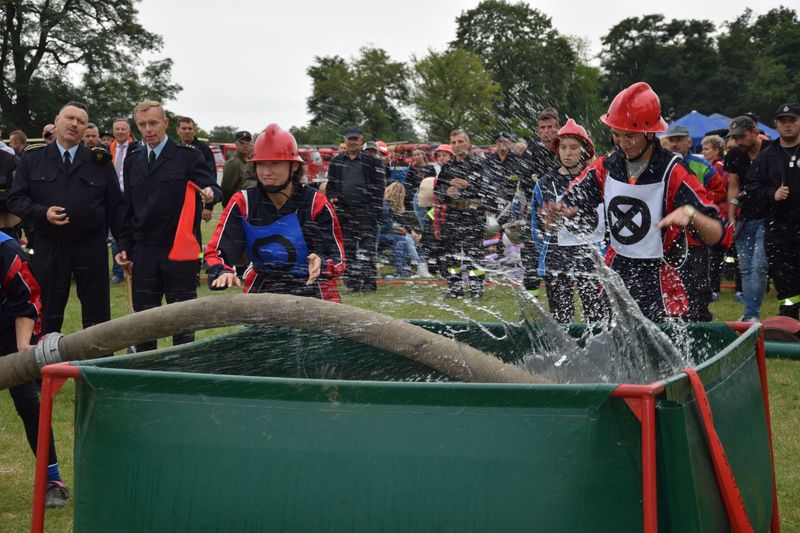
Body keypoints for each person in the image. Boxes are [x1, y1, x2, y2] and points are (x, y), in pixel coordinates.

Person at [554, 82, 725, 322]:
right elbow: (569, 203)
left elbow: (716, 234)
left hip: (664, 281)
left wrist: (690, 214)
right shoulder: (605, 167)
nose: (623, 143)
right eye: (617, 134)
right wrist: (557, 212)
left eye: (630, 136)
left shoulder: (673, 171)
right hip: (618, 274)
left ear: (649, 133)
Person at [9, 101, 124, 334]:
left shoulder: (98, 162)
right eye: (70, 118)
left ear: (85, 129)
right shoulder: (33, 160)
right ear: (57, 121)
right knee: (47, 313)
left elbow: (116, 207)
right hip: (48, 246)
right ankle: (46, 368)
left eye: (81, 121)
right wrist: (42, 213)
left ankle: (96, 366)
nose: (74, 124)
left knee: (97, 315)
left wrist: (124, 245)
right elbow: (16, 200)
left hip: (90, 247)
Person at [114, 100, 220, 352]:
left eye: (153, 123)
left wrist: (209, 194)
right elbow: (127, 206)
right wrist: (124, 246)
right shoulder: (133, 158)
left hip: (179, 251)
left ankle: (181, 372)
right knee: (144, 320)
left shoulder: (188, 156)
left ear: (165, 123)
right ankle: (145, 370)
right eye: (142, 125)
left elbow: (213, 187)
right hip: (144, 251)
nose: (148, 129)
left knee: (181, 318)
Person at [205, 124, 344, 298]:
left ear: (294, 166)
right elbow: (218, 251)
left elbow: (337, 258)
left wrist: (322, 263)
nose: (266, 172)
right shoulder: (243, 202)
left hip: (314, 292)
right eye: (261, 164)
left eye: (275, 163)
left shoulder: (316, 203)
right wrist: (222, 271)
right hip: (262, 291)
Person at [0, 231, 69, 508]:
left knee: (28, 401)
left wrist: (21, 348)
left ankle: (53, 480)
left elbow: (26, 298)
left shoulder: (6, 250)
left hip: (8, 328)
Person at [532, 119, 608, 323]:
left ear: (584, 151)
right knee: (561, 318)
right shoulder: (544, 184)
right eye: (563, 147)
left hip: (592, 256)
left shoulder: (599, 178)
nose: (568, 152)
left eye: (574, 147)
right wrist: (550, 223)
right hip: (557, 257)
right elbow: (537, 229)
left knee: (598, 314)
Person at [662, 124, 726, 321]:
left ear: (689, 142)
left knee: (698, 285)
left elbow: (719, 193)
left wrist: (697, 207)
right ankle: (675, 320)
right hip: (668, 238)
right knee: (671, 285)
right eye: (672, 140)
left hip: (696, 238)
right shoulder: (661, 166)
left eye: (679, 139)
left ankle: (701, 321)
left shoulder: (703, 166)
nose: (675, 144)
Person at [746, 103, 800, 319]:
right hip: (779, 228)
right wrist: (771, 194)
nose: (787, 125)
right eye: (783, 121)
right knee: (785, 278)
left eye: (792, 120)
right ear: (776, 125)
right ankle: (788, 318)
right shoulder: (767, 156)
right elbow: (751, 187)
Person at [434, 129, 496, 298]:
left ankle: (476, 289)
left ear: (468, 144)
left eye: (460, 142)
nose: (457, 145)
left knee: (474, 253)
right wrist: (447, 192)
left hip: (473, 214)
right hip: (453, 214)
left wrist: (467, 185)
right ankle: (455, 288)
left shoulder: (479, 164)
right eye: (453, 142)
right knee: (452, 254)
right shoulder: (447, 166)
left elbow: (488, 190)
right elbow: (438, 191)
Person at [326, 126, 386, 293]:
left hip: (366, 212)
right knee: (348, 250)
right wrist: (333, 196)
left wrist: (373, 209)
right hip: (345, 212)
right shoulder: (336, 162)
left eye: (355, 139)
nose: (352, 142)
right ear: (344, 140)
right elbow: (330, 186)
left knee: (367, 250)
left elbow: (380, 187)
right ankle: (352, 284)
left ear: (361, 140)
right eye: (349, 139)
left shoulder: (372, 161)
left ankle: (368, 284)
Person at [725, 114, 771, 321]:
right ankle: (748, 315)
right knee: (744, 269)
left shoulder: (772, 150)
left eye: (741, 137)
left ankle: (751, 314)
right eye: (734, 137)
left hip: (770, 216)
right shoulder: (735, 153)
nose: (737, 142)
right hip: (745, 218)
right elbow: (733, 186)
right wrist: (732, 218)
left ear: (755, 132)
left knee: (759, 267)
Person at [108, 117, 140, 284]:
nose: (120, 132)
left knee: (130, 233)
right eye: (117, 129)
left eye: (123, 129)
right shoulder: (109, 148)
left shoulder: (137, 148)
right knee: (115, 236)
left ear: (129, 131)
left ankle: (134, 265)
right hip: (115, 197)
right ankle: (118, 272)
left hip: (131, 196)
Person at [701, 134, 732, 299]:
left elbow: (719, 192)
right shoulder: (713, 165)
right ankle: (713, 285)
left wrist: (702, 197)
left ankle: (713, 286)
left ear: (717, 150)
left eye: (706, 149)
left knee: (714, 251)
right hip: (717, 210)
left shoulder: (718, 167)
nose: (703, 152)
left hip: (718, 211)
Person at [176, 117, 216, 222]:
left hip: (196, 199)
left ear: (194, 130)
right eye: (184, 128)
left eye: (190, 128)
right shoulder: (173, 149)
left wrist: (208, 206)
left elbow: (211, 178)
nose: (187, 131)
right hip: (177, 200)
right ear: (178, 130)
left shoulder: (204, 149)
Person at [379, 182, 422, 278]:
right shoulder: (385, 208)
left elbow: (401, 220)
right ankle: (402, 269)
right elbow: (383, 228)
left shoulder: (388, 206)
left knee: (403, 238)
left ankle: (406, 267)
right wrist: (397, 231)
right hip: (376, 236)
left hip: (379, 234)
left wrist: (411, 231)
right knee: (400, 239)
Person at [220, 130, 256, 206]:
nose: (245, 145)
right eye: (242, 143)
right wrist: (229, 206)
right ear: (236, 144)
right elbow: (226, 189)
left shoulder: (252, 160)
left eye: (248, 142)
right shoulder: (233, 163)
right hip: (237, 205)